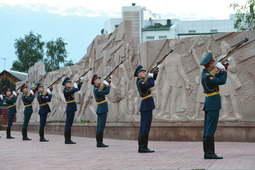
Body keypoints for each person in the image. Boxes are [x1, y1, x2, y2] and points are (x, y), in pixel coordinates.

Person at [200, 52, 227, 159]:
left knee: (208, 128)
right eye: (214, 62)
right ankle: (209, 153)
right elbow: (222, 80)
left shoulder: (207, 74)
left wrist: (224, 67)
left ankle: (208, 152)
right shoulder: (207, 77)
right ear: (210, 64)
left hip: (210, 104)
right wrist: (224, 70)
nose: (215, 64)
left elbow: (218, 75)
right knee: (210, 129)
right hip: (212, 104)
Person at [134, 65, 158, 153]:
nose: (145, 73)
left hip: (147, 105)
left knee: (145, 127)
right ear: (138, 74)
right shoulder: (140, 82)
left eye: (145, 72)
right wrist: (151, 76)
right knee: (145, 127)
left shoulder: (142, 81)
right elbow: (151, 83)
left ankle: (143, 146)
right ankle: (142, 147)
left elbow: (152, 80)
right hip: (146, 106)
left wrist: (155, 72)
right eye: (143, 72)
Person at [91, 74, 111, 147]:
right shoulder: (96, 90)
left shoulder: (98, 88)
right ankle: (99, 143)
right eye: (98, 79)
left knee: (100, 126)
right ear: (94, 81)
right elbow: (106, 92)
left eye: (100, 79)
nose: (100, 80)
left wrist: (109, 81)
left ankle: (99, 142)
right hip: (102, 109)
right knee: (101, 126)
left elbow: (103, 89)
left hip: (101, 109)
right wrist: (108, 86)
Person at [62, 77, 82, 144]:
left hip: (72, 107)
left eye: (70, 82)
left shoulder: (69, 89)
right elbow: (73, 91)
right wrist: (76, 87)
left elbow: (78, 89)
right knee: (68, 124)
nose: (70, 83)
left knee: (69, 124)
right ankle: (67, 140)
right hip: (70, 107)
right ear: (65, 84)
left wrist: (80, 83)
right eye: (68, 83)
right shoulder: (65, 90)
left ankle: (68, 139)